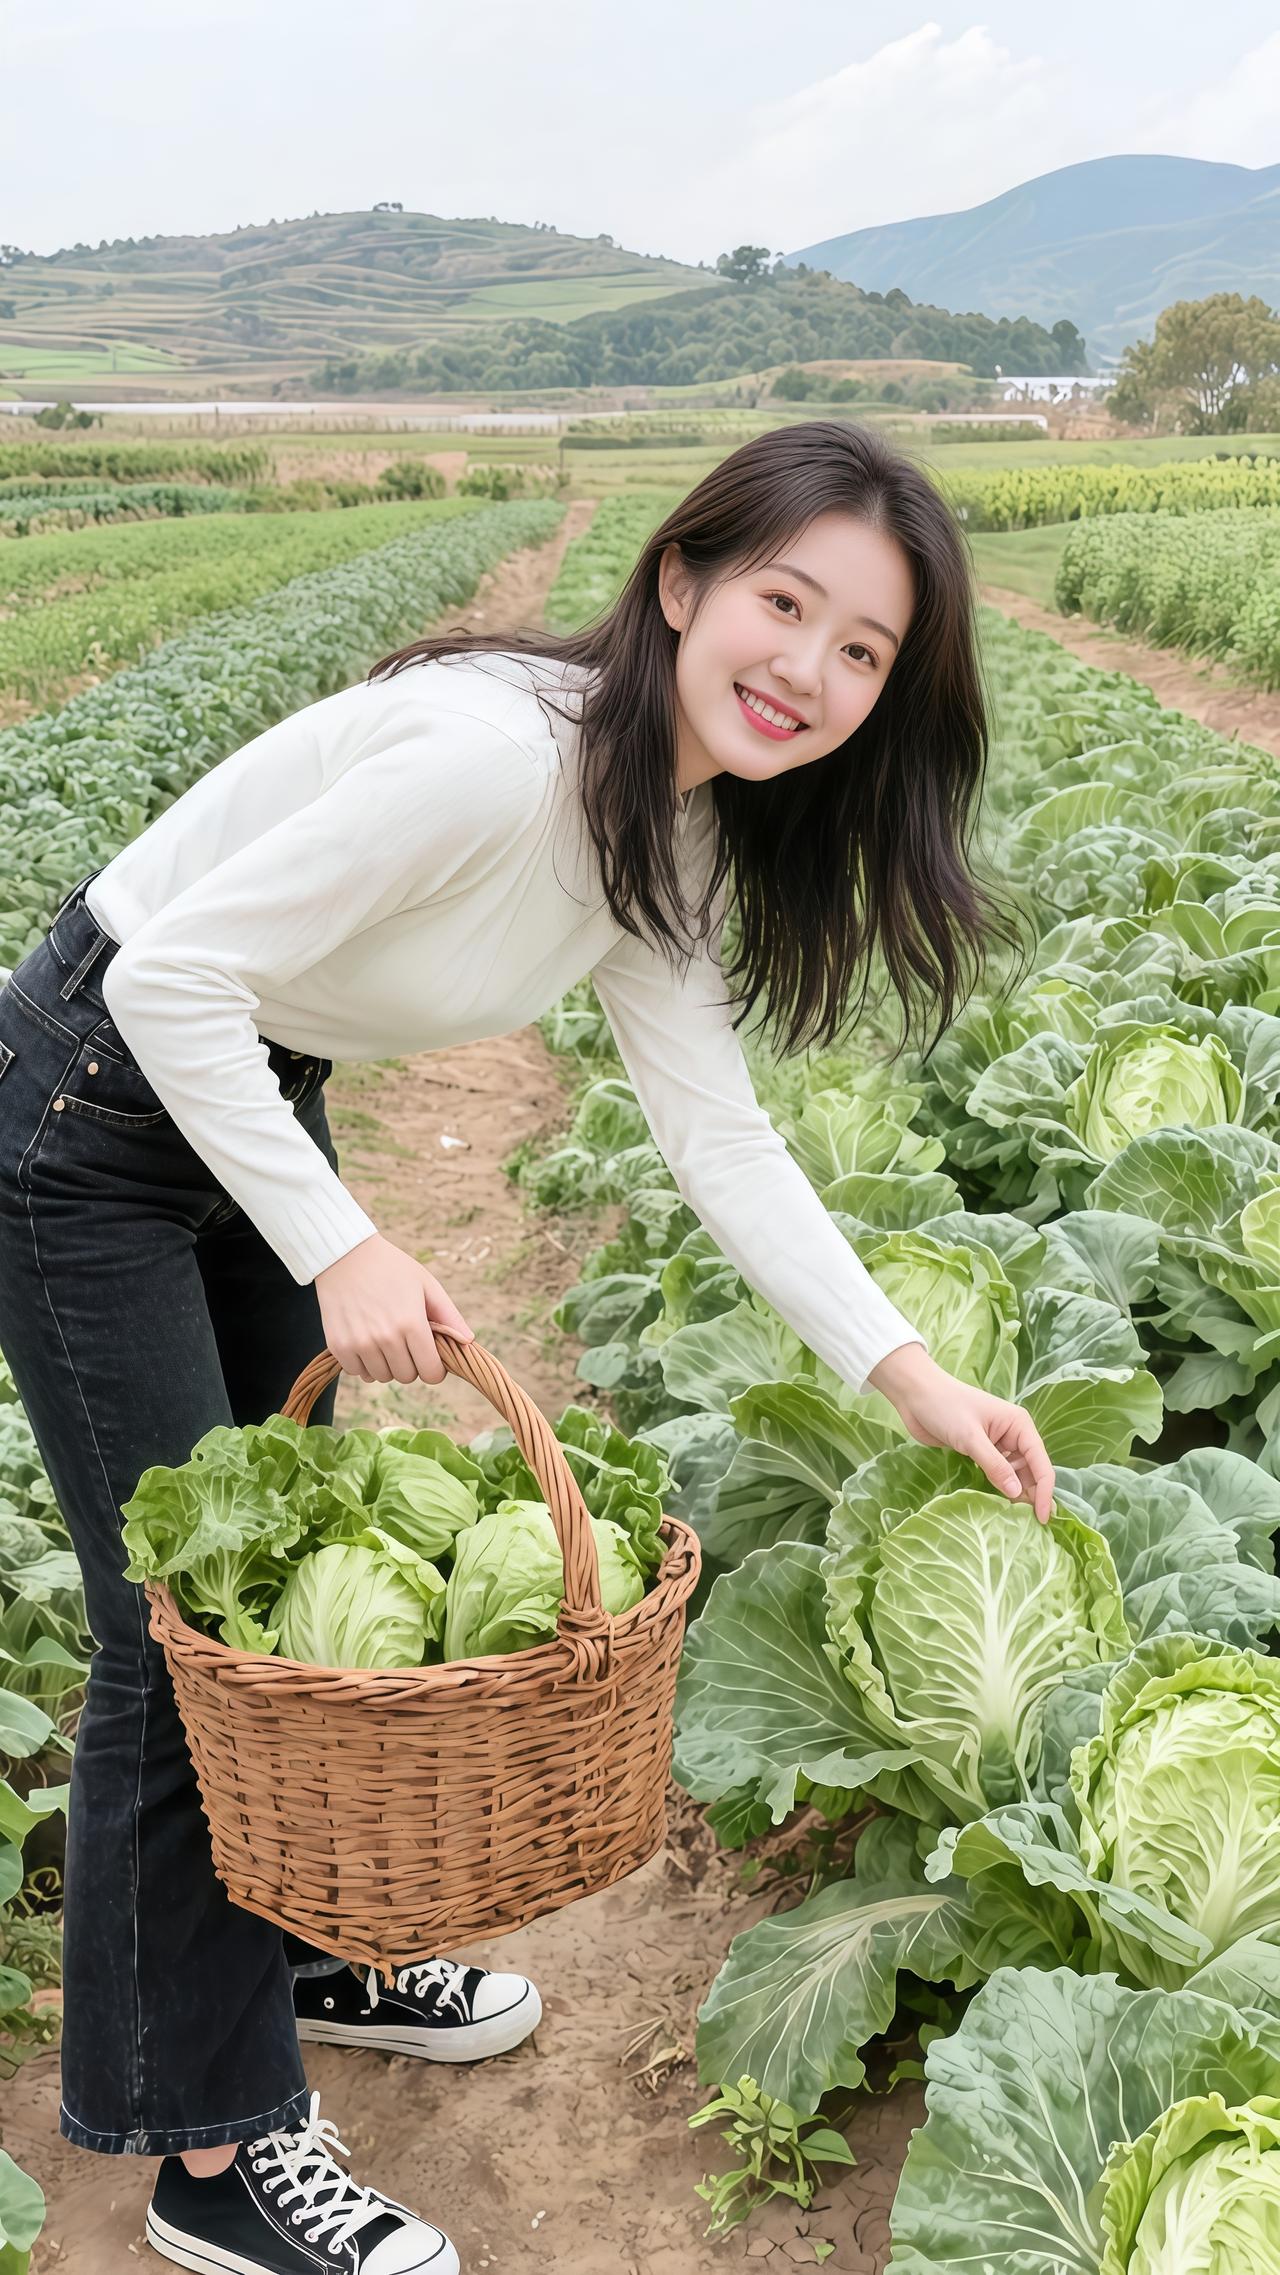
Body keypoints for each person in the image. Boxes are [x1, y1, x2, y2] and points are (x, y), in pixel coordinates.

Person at [0, 418, 1054, 2275]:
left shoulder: (667, 827)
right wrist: (340, 1241)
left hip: (235, 1088)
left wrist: (913, 1372)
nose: (808, 670)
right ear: (682, 581)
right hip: (91, 1111)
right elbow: (168, 978)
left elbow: (719, 1135)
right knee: (179, 1640)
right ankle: (214, 2156)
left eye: (864, 650)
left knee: (276, 1606)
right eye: (784, 604)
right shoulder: (499, 764)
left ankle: (308, 1943)